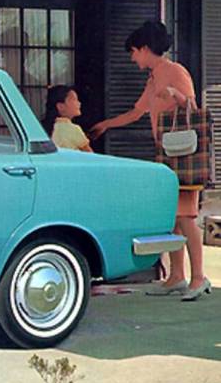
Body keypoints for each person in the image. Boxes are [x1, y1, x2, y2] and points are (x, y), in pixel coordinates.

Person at [90, 21, 210, 301]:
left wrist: (175, 95)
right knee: (172, 218)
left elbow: (191, 107)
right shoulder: (154, 77)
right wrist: (106, 124)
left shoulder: (175, 71)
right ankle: (177, 275)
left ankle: (199, 277)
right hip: (166, 153)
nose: (133, 58)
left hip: (184, 156)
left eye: (134, 52)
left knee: (187, 216)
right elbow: (136, 112)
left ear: (145, 49)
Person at [42, 85, 93, 152]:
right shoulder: (73, 129)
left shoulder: (43, 128)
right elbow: (90, 155)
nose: (79, 103)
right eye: (74, 100)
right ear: (60, 106)